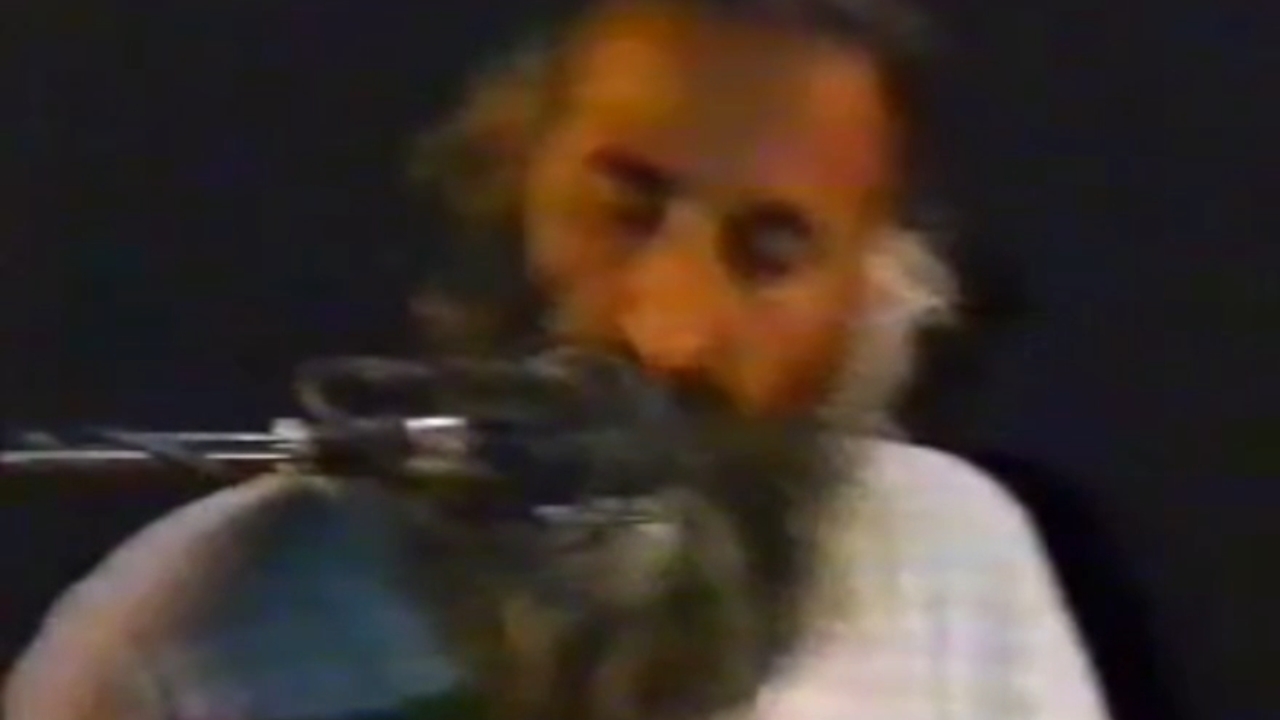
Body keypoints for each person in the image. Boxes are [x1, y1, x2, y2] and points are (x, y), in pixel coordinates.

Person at [4, 0, 1112, 718]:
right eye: (622, 211)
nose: (661, 333)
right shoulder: (188, 631)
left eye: (770, 256)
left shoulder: (952, 560)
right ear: (502, 184)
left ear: (873, 302)